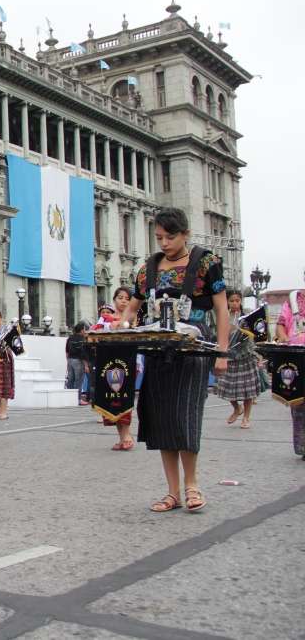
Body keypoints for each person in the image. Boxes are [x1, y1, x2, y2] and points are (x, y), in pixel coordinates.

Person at [119, 208, 228, 513]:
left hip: (193, 346)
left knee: (185, 413)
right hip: (158, 346)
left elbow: (221, 309)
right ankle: (172, 492)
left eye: (170, 237)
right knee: (161, 416)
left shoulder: (205, 263)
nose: (164, 243)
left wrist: (222, 352)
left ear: (185, 234)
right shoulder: (148, 269)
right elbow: (133, 306)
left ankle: (192, 484)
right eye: (159, 238)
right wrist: (123, 324)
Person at [218, 289, 261, 429]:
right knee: (227, 387)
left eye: (237, 300)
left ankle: (246, 417)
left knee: (248, 390)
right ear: (227, 302)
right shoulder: (223, 316)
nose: (235, 303)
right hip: (230, 356)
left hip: (246, 356)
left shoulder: (247, 315)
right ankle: (237, 408)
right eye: (232, 301)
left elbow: (256, 332)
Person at [100, 288, 136, 449]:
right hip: (108, 361)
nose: (123, 301)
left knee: (124, 397)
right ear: (114, 299)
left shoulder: (133, 318)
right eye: (120, 297)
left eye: (127, 298)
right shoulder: (105, 318)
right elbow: (97, 332)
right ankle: (122, 437)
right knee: (112, 398)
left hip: (127, 360)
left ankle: (127, 435)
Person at [274, 290, 305, 459]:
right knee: (299, 402)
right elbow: (280, 325)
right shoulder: (293, 299)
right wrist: (284, 337)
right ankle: (303, 446)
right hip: (296, 356)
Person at [65, 322, 89, 404]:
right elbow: (83, 353)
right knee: (78, 381)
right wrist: (86, 365)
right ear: (82, 330)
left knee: (70, 380)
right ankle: (77, 399)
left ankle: (69, 399)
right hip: (78, 361)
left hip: (70, 360)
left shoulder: (70, 338)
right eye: (84, 329)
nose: (85, 331)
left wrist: (68, 362)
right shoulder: (82, 339)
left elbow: (67, 351)